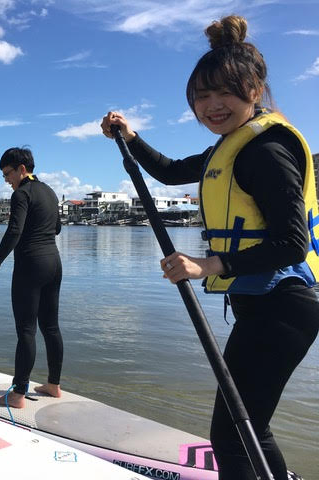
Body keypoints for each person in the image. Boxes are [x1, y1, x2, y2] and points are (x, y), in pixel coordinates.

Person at [101, 15, 319, 480]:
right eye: (202, 96)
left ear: (254, 91)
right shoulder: (232, 146)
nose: (212, 105)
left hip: (284, 305)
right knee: (247, 430)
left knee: (236, 433)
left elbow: (292, 243)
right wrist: (130, 137)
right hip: (266, 306)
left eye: (225, 93)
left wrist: (207, 264)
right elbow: (169, 171)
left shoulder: (265, 150)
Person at [0, 147, 63, 409]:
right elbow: (57, 229)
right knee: (50, 326)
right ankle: (53, 385)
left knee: (26, 330)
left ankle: (18, 394)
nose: (6, 179)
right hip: (54, 263)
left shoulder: (21, 194)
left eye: (8, 173)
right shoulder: (49, 192)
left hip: (30, 265)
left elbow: (14, 230)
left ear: (21, 169)